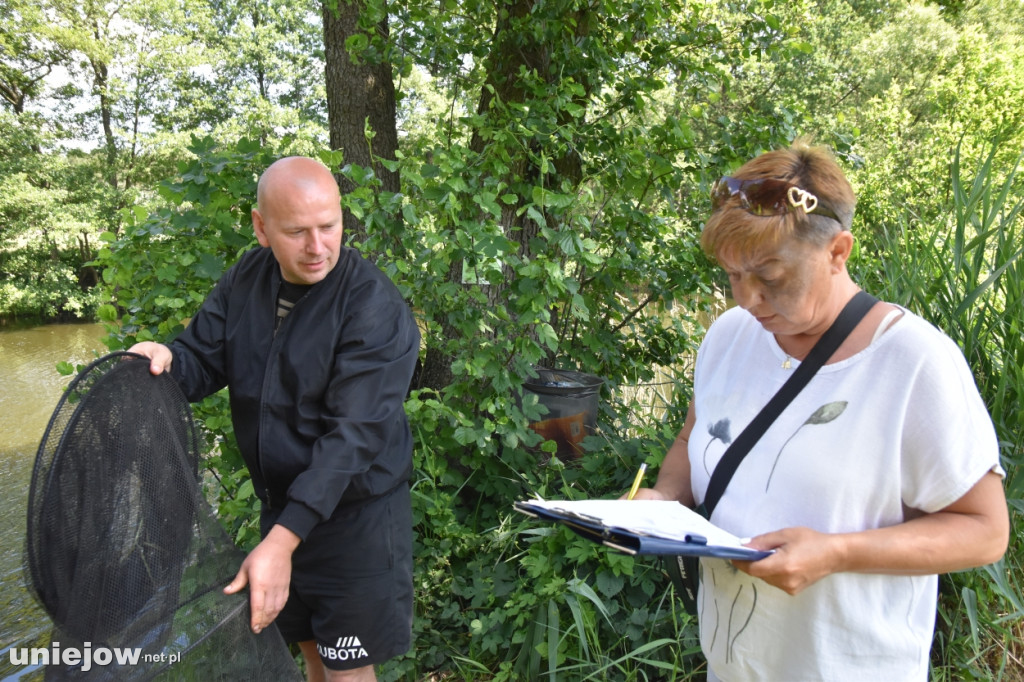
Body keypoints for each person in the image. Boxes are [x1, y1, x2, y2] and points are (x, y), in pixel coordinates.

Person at [629, 140, 1009, 680]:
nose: (747, 299)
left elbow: (986, 531)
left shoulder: (914, 362)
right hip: (735, 663)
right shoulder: (730, 336)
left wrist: (835, 553)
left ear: (837, 252)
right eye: (733, 275)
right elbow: (694, 441)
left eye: (770, 276)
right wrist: (663, 499)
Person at [130, 156, 420, 682]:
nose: (317, 247)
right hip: (282, 510)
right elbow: (199, 359)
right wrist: (163, 363)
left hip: (356, 519)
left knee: (347, 669)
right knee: (310, 653)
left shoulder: (373, 306)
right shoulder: (248, 278)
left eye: (328, 227)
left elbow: (352, 440)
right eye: (297, 232)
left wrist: (282, 542)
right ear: (261, 229)